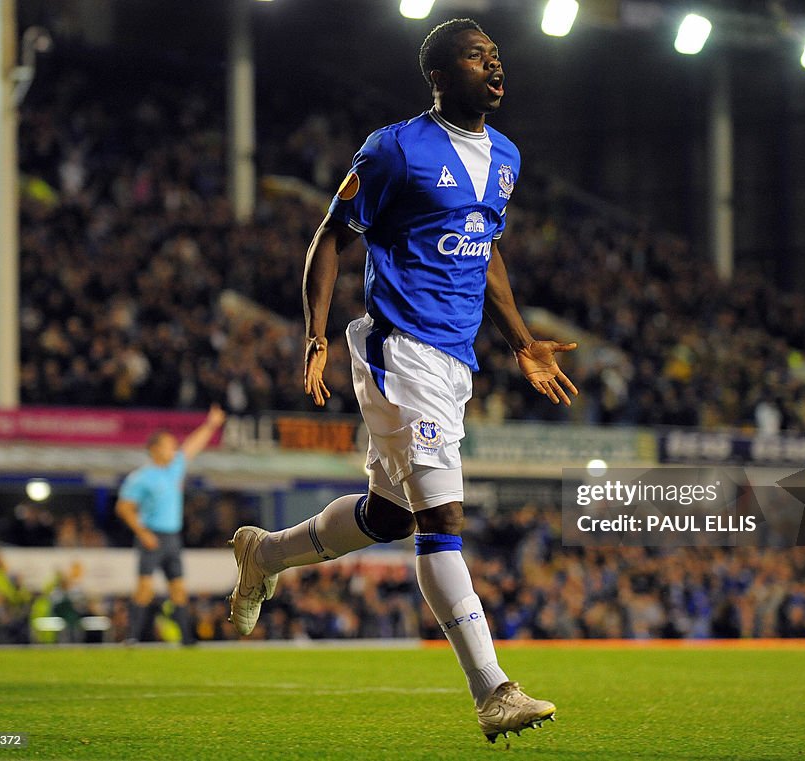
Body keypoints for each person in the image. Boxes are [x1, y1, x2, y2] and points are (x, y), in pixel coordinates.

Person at [227, 18, 577, 742]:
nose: (495, 64)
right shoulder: (395, 149)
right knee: (441, 522)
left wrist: (520, 342)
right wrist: (316, 332)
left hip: (455, 362)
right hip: (402, 352)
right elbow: (331, 232)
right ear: (442, 77)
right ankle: (493, 689)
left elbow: (485, 249)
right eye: (479, 58)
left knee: (387, 515)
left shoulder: (505, 157)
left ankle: (265, 553)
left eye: (496, 56)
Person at [116, 404, 226, 644]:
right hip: (152, 536)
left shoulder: (174, 468)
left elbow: (192, 446)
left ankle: (187, 639)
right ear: (155, 449)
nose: (174, 448)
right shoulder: (141, 477)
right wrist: (142, 532)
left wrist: (210, 425)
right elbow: (123, 508)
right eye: (168, 445)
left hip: (172, 537)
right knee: (144, 589)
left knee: (178, 589)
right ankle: (132, 637)